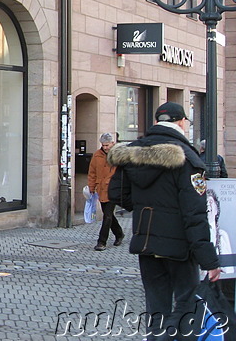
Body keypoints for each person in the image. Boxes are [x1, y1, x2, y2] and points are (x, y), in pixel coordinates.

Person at [108, 102, 221, 339]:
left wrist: (143, 208)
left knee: (156, 306)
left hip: (146, 241)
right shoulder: (187, 158)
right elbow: (195, 213)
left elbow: (117, 193)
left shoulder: (132, 151)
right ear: (181, 122)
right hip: (180, 245)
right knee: (186, 305)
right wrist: (209, 260)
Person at [87, 132, 124, 251]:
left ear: (113, 143)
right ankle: (119, 234)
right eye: (103, 145)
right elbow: (92, 172)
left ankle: (101, 242)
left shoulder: (118, 155)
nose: (105, 147)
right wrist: (91, 187)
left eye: (107, 145)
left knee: (107, 216)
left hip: (113, 189)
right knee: (109, 215)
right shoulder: (97, 155)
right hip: (101, 189)